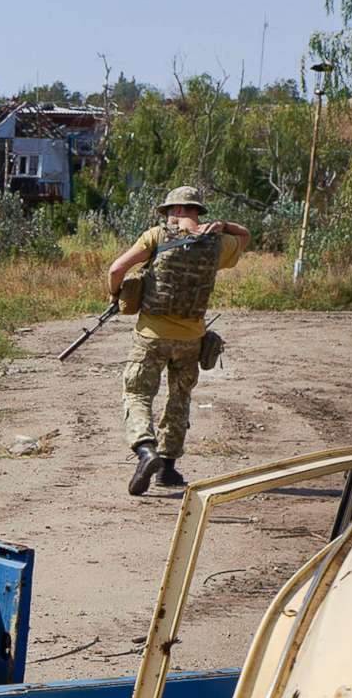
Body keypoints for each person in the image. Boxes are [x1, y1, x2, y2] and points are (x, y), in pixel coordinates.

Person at [106, 186, 250, 495]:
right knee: (179, 398)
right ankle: (168, 470)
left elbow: (117, 268)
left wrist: (115, 294)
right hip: (191, 339)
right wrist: (225, 226)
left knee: (137, 394)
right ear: (197, 210)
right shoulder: (217, 243)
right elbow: (246, 236)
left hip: (151, 337)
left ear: (173, 211)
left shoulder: (156, 236)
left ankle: (146, 451)